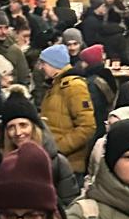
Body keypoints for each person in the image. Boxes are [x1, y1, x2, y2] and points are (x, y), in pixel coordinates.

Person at [0, 94, 80, 218]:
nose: (18, 133)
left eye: (23, 125)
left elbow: (69, 207)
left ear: (34, 127)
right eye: (11, 127)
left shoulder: (58, 163)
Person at [38, 45, 96, 173]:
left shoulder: (73, 86)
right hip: (56, 162)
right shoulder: (55, 86)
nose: (40, 67)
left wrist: (58, 148)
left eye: (43, 63)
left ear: (54, 63)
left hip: (69, 166)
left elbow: (87, 127)